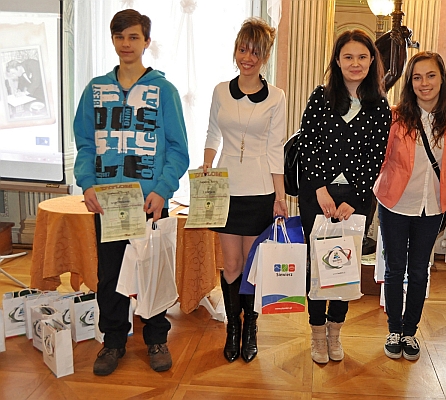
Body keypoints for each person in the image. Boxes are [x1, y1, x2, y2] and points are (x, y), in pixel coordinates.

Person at [73, 9, 189, 376]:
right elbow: (85, 143)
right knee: (110, 276)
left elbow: (178, 150)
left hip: (149, 203)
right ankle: (113, 341)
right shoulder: (95, 90)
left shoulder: (164, 91)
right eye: (120, 37)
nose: (126, 44)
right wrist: (87, 183)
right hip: (109, 204)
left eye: (134, 37)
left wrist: (163, 190)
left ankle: (156, 338)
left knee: (153, 271)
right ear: (113, 40)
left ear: (146, 42)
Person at [298, 29, 391, 364]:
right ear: (337, 61)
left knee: (343, 265)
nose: (355, 63)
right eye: (348, 57)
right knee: (317, 264)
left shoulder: (380, 105)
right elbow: (307, 146)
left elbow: (376, 157)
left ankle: (335, 332)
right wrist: (321, 189)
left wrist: (356, 197)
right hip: (317, 195)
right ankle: (316, 333)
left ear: (372, 61)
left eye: (362, 57)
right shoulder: (320, 97)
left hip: (356, 199)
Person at [373, 51, 446, 361]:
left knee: (418, 271)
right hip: (395, 203)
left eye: (430, 75)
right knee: (394, 269)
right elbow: (381, 160)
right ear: (409, 82)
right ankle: (394, 329)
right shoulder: (394, 116)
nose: (424, 83)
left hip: (433, 207)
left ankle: (410, 331)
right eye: (417, 77)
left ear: (442, 79)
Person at [203, 17, 287, 364]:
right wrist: (207, 165)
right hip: (225, 187)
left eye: (255, 52)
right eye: (242, 49)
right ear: (235, 51)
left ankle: (250, 327)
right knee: (231, 263)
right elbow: (212, 133)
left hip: (259, 190)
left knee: (251, 265)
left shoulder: (276, 97)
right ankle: (232, 329)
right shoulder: (221, 91)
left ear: (265, 56)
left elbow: (276, 148)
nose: (247, 58)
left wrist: (280, 196)